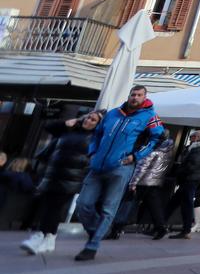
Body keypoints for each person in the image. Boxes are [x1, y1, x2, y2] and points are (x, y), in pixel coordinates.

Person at [74, 85, 165, 262]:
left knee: (109, 208)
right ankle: (97, 230)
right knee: (83, 204)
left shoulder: (150, 117)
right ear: (129, 95)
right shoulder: (113, 113)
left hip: (121, 167)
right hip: (97, 165)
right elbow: (97, 134)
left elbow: (158, 138)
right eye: (133, 94)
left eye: (139, 95)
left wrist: (136, 156)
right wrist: (92, 153)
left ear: (145, 97)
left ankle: (92, 245)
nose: (135, 98)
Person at [20, 111, 100, 257]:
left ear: (98, 125)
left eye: (93, 120)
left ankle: (41, 236)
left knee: (54, 207)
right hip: (53, 174)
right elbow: (49, 127)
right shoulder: (69, 130)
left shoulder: (96, 138)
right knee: (48, 205)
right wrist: (65, 123)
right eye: (88, 117)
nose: (88, 120)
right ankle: (49, 238)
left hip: (72, 179)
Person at [112, 134, 175, 240]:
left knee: (128, 204)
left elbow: (141, 168)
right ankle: (161, 227)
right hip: (154, 181)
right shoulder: (167, 150)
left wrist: (133, 183)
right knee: (154, 206)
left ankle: (116, 228)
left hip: (143, 181)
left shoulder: (151, 150)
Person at [171, 130, 200, 239]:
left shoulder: (197, 149)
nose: (190, 139)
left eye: (191, 137)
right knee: (176, 202)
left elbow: (192, 165)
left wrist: (181, 173)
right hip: (191, 180)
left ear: (196, 137)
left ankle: (185, 229)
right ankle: (161, 225)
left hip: (189, 179)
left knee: (187, 203)